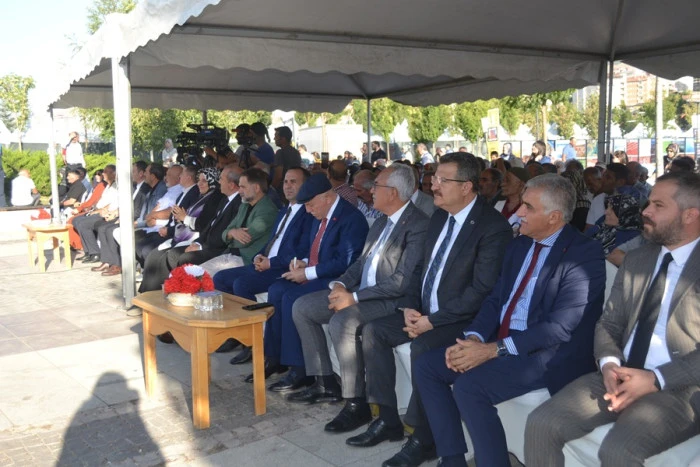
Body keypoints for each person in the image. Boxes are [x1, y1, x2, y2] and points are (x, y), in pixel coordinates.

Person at [414, 174, 606, 466]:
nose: (519, 212)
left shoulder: (584, 253)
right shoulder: (520, 244)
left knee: (470, 387)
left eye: (528, 207)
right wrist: (475, 338)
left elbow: (560, 327)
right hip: (503, 341)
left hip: (548, 353)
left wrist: (492, 350)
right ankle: (452, 460)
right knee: (428, 366)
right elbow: (496, 299)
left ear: (554, 217)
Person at [525, 171, 700, 466]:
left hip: (681, 386)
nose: (645, 211)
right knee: (542, 423)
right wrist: (608, 364)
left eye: (658, 205)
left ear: (690, 215)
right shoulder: (638, 259)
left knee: (619, 452)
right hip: (620, 374)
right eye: (649, 203)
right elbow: (609, 323)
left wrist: (655, 379)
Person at [353, 154, 512, 466]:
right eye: (434, 178)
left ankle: (424, 439)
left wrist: (432, 321)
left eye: (442, 180)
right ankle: (387, 418)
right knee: (374, 331)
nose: (432, 185)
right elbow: (420, 271)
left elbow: (482, 291)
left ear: (466, 187)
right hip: (425, 312)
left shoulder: (493, 227)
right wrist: (411, 308)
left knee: (424, 348)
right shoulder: (439, 217)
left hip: (464, 320)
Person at [288, 165, 429, 433]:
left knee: (343, 321)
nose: (370, 190)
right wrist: (340, 285)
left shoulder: (418, 225)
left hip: (393, 301)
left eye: (377, 186)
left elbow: (401, 281)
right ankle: (325, 382)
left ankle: (356, 402)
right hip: (362, 293)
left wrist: (352, 298)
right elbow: (361, 263)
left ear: (393, 192)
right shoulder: (382, 221)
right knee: (303, 307)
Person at [262, 174, 368, 393]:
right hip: (316, 272)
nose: (308, 210)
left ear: (326, 197)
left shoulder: (351, 218)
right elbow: (315, 250)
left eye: (310, 205)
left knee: (291, 298)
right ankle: (275, 356)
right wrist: (303, 263)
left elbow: (346, 262)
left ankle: (300, 370)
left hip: (337, 280)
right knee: (276, 290)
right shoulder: (319, 213)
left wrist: (308, 273)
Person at [214, 167, 314, 364]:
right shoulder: (284, 211)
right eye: (285, 182)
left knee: (242, 284)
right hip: (266, 262)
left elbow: (300, 250)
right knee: (220, 278)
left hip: (283, 267)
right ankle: (236, 333)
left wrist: (271, 262)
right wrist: (260, 256)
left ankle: (253, 343)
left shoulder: (308, 214)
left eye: (294, 182)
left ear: (306, 185)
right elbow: (271, 241)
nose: (288, 186)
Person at [137, 165, 243, 294]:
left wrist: (198, 244)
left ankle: (168, 294)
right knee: (154, 255)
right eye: (199, 180)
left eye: (204, 181)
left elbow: (208, 227)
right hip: (198, 239)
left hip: (214, 246)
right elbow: (209, 227)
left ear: (230, 185)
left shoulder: (221, 199)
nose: (199, 183)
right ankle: (150, 294)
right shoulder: (221, 199)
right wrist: (198, 243)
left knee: (174, 256)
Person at [493, 167, 529, 236]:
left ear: (521, 184)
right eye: (503, 180)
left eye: (507, 180)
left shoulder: (528, 209)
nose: (502, 184)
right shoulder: (498, 205)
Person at [272, 126, 302, 192]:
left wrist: (271, 189)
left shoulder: (280, 153)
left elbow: (278, 176)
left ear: (283, 139)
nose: (274, 139)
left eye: (276, 136)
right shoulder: (296, 152)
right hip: (295, 187)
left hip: (282, 189)